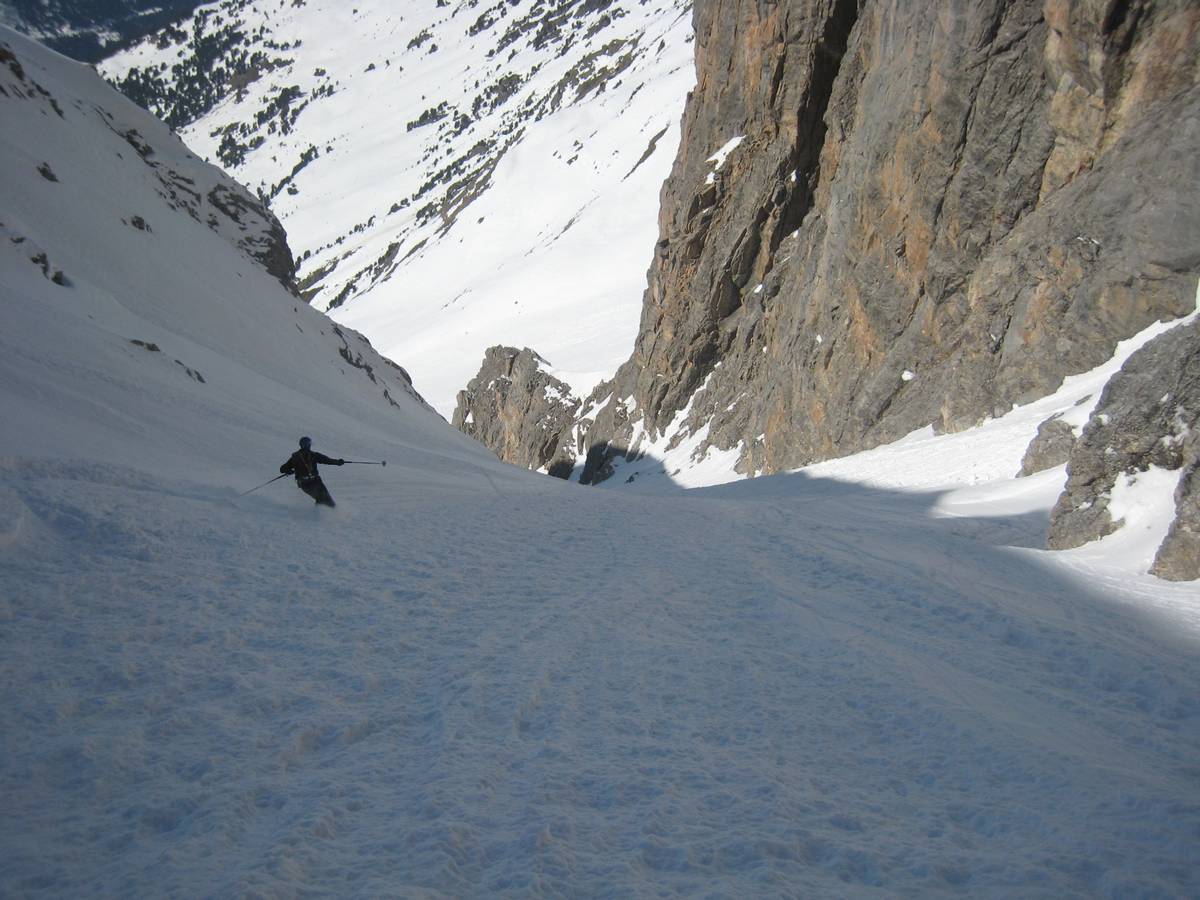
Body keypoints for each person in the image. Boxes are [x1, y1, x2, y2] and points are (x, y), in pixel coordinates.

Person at [280, 436, 345, 507]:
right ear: (308, 444)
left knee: (322, 499)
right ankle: (321, 514)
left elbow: (283, 469)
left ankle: (322, 514)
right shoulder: (313, 455)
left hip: (305, 483)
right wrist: (338, 462)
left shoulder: (295, 457)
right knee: (325, 500)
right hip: (314, 481)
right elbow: (327, 460)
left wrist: (289, 471)